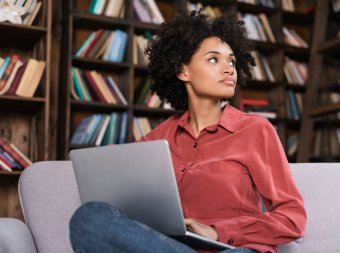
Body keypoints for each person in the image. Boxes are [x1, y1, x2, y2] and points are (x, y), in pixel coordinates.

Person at [69, 9, 307, 253]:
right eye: (214, 59)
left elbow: (292, 217)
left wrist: (217, 231)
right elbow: (116, 175)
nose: (229, 69)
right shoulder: (159, 137)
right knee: (89, 218)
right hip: (174, 247)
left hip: (238, 250)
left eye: (232, 61)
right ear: (183, 71)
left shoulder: (255, 130)